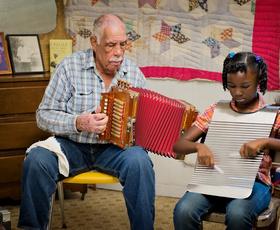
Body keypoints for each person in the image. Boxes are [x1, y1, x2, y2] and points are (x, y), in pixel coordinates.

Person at [18, 14, 155, 230]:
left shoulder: (134, 74)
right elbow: (43, 115)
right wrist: (79, 122)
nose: (118, 53)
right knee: (36, 160)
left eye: (123, 45)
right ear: (94, 42)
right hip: (72, 147)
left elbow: (144, 123)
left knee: (140, 161)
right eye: (110, 45)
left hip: (115, 151)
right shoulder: (69, 67)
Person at [173, 51, 280, 230]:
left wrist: (265, 141)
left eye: (245, 86)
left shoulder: (273, 115)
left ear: (259, 81)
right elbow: (179, 145)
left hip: (255, 183)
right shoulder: (215, 111)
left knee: (238, 213)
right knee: (184, 210)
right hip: (214, 181)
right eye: (231, 86)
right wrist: (199, 147)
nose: (237, 92)